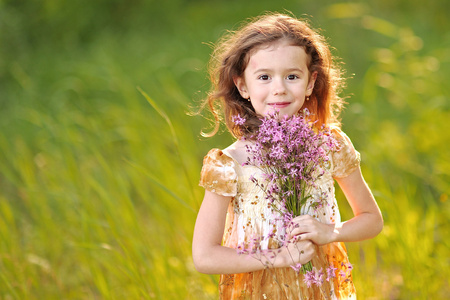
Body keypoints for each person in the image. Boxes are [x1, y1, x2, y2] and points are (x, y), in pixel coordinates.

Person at [192, 12, 383, 299]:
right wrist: (278, 257)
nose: (279, 88)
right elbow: (205, 256)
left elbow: (371, 219)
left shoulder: (329, 145)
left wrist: (331, 231)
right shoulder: (229, 164)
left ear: (310, 82)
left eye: (292, 76)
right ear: (243, 86)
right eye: (264, 77)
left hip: (318, 286)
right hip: (260, 290)